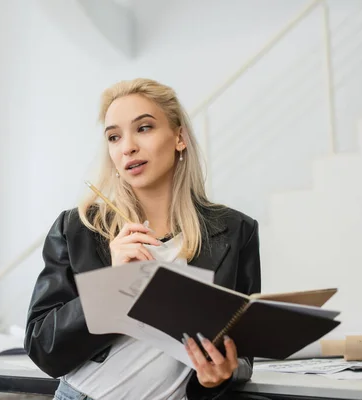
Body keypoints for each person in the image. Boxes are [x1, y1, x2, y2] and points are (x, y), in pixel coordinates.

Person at [24, 78, 261, 400]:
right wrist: (114, 283)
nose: (128, 147)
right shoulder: (78, 227)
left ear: (179, 137)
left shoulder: (236, 230)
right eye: (114, 137)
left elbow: (242, 351)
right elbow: (43, 347)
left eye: (144, 128)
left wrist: (217, 379)